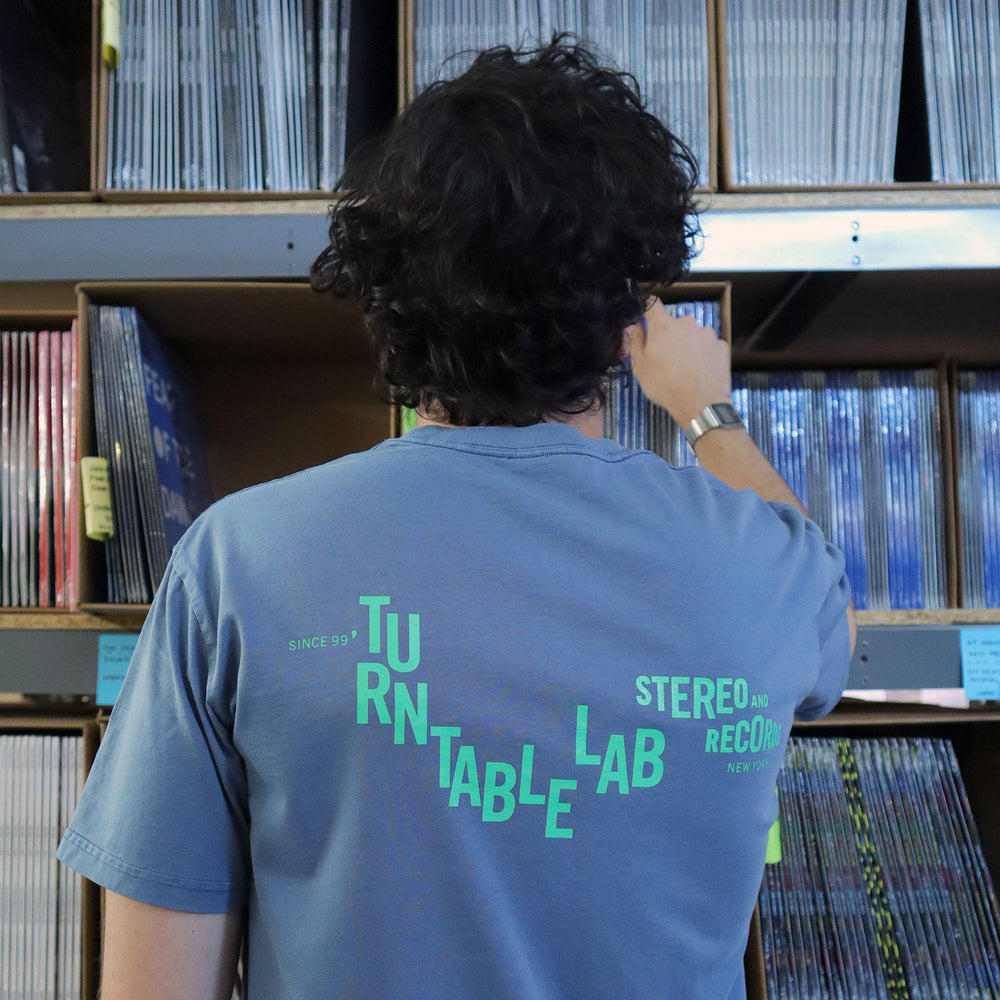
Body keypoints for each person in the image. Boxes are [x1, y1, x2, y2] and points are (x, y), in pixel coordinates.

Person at [58, 36, 856, 1000]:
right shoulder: (766, 569)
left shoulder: (236, 564)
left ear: (388, 295)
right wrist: (706, 410)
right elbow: (835, 631)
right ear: (627, 312)